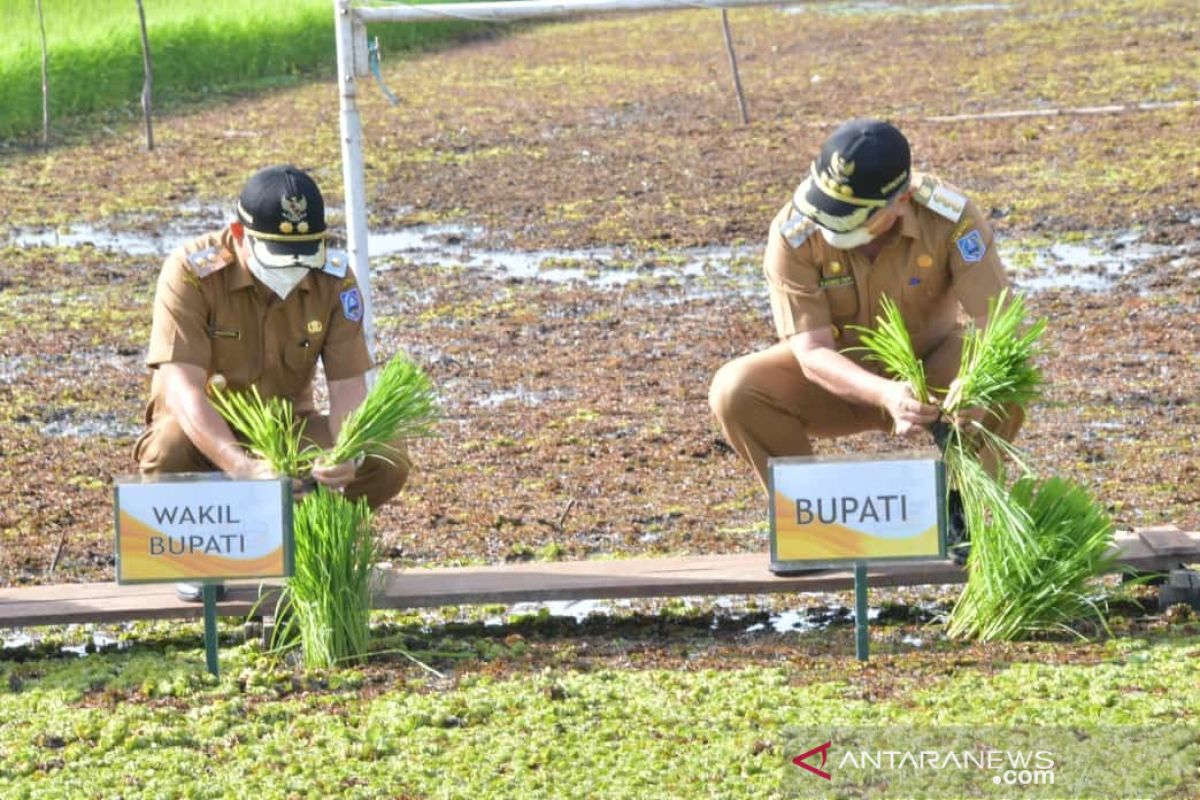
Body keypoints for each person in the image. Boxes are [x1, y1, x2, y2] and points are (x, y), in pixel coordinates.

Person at [708, 119, 1021, 563]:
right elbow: (812, 353)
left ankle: (959, 510)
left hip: (934, 376)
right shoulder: (793, 231)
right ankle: (813, 522)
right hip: (835, 382)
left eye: (850, 214)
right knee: (735, 389)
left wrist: (972, 386)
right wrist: (887, 394)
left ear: (902, 199)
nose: (830, 221)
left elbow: (1002, 322)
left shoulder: (950, 218)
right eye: (827, 205)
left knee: (1007, 373)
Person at [134, 165, 410, 599]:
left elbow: (348, 389)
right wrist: (242, 468)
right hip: (200, 435)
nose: (293, 271)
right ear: (239, 235)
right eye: (280, 257)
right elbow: (182, 390)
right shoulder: (191, 273)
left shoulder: (334, 278)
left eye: (304, 256)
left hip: (287, 428)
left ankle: (304, 537)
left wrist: (347, 453)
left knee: (386, 454)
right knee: (166, 448)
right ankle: (194, 554)